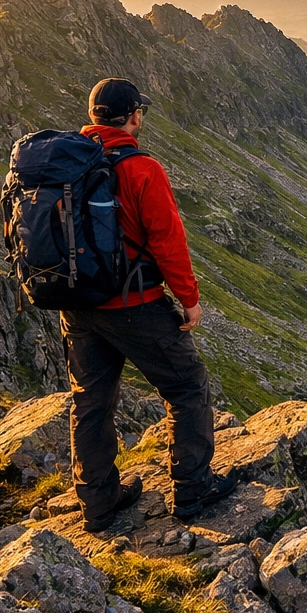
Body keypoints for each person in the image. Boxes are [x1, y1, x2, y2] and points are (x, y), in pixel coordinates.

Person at [64, 77, 235, 532]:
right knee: (186, 387)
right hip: (135, 304)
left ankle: (98, 503)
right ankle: (194, 489)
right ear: (134, 115)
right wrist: (190, 301)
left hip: (77, 305)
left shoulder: (66, 161)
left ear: (94, 114)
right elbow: (167, 241)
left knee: (91, 401)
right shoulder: (142, 168)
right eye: (142, 111)